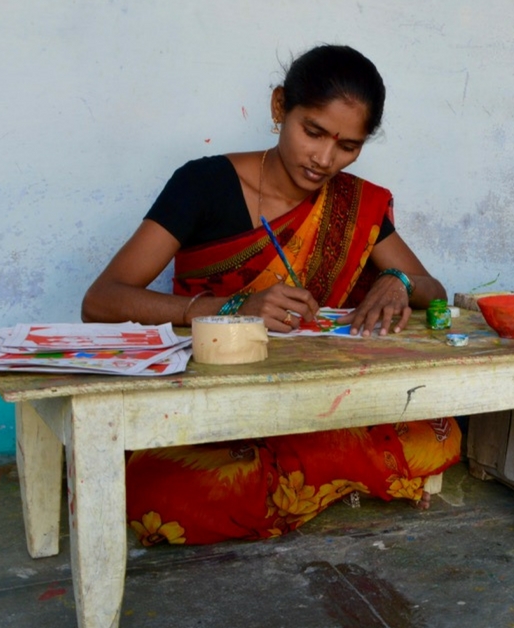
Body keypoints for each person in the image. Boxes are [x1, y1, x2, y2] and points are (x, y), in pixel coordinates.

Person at [82, 45, 462, 545]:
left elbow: (431, 287)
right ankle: (341, 478)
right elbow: (101, 300)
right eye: (313, 132)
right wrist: (232, 308)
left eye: (348, 146)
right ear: (280, 107)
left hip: (314, 402)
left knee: (439, 434)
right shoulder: (202, 183)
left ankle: (297, 481)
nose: (325, 160)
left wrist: (400, 281)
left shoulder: (353, 204)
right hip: (212, 405)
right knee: (160, 492)